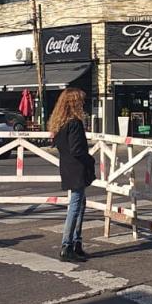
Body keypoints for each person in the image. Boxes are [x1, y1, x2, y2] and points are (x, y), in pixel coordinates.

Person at [51, 87, 95, 263]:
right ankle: (67, 245)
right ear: (74, 103)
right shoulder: (74, 123)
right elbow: (77, 149)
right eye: (81, 102)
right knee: (76, 206)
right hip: (77, 168)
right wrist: (89, 159)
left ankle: (76, 242)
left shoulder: (60, 123)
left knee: (80, 204)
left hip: (67, 167)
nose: (83, 104)